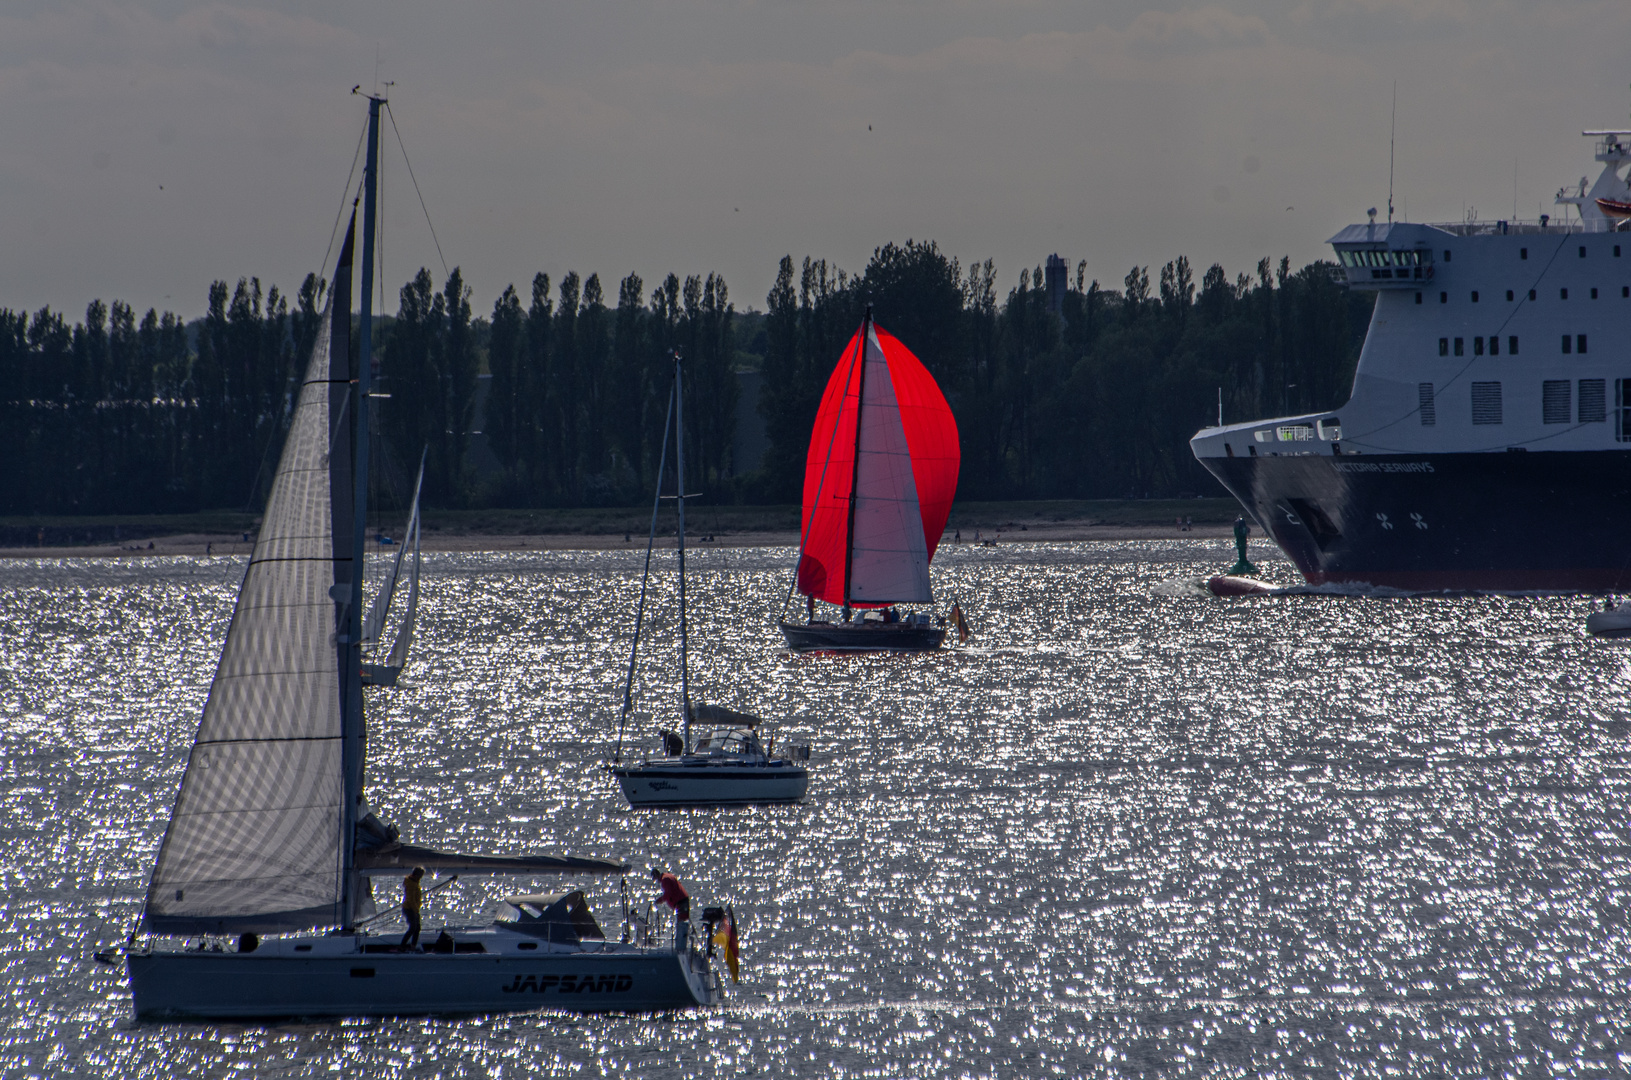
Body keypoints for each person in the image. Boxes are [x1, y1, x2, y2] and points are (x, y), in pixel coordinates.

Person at [651, 867, 691, 950]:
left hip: (681, 902)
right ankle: (681, 946)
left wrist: (659, 900)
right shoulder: (667, 876)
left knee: (681, 924)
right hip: (682, 901)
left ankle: (680, 948)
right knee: (681, 923)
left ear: (656, 876)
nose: (656, 881)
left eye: (655, 879)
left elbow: (668, 893)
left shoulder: (665, 880)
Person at [401, 866, 425, 949]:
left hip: (414, 908)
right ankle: (402, 946)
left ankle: (413, 946)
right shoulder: (411, 884)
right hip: (409, 908)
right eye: (420, 876)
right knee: (413, 927)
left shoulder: (415, 883)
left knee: (417, 928)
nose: (420, 878)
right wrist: (415, 910)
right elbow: (410, 899)